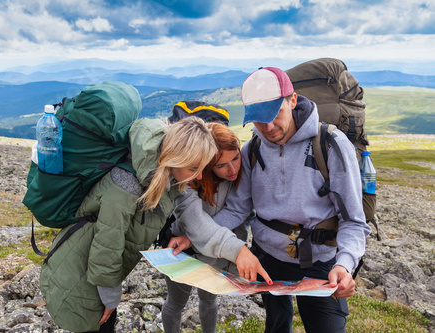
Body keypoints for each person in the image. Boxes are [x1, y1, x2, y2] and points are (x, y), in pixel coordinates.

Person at [211, 67, 372, 333]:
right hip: (268, 258)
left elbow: (353, 221)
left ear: (293, 100)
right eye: (259, 120)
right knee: (276, 326)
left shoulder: (331, 144)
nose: (268, 127)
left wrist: (344, 264)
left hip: (321, 260)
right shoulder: (253, 149)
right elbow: (237, 210)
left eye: (275, 115)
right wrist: (195, 234)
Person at [39, 116, 219, 333]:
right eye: (193, 168)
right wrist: (111, 300)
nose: (199, 175)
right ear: (175, 157)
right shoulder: (127, 185)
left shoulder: (161, 177)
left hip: (93, 274)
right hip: (79, 274)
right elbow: (106, 247)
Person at [162, 122, 271, 333]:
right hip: (182, 251)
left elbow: (239, 215)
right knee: (176, 303)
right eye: (221, 165)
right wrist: (235, 250)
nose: (232, 169)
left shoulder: (240, 176)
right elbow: (193, 221)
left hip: (216, 254)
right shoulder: (189, 179)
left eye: (236, 158)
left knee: (209, 299)